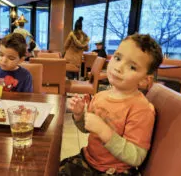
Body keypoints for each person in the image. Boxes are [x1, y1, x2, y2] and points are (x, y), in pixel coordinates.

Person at [59, 33, 163, 175]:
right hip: (88, 160)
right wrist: (79, 115)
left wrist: (104, 130)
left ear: (144, 80)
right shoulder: (100, 96)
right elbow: (87, 129)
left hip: (115, 171)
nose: (118, 68)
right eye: (117, 58)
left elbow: (136, 157)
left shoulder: (142, 109)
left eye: (132, 67)